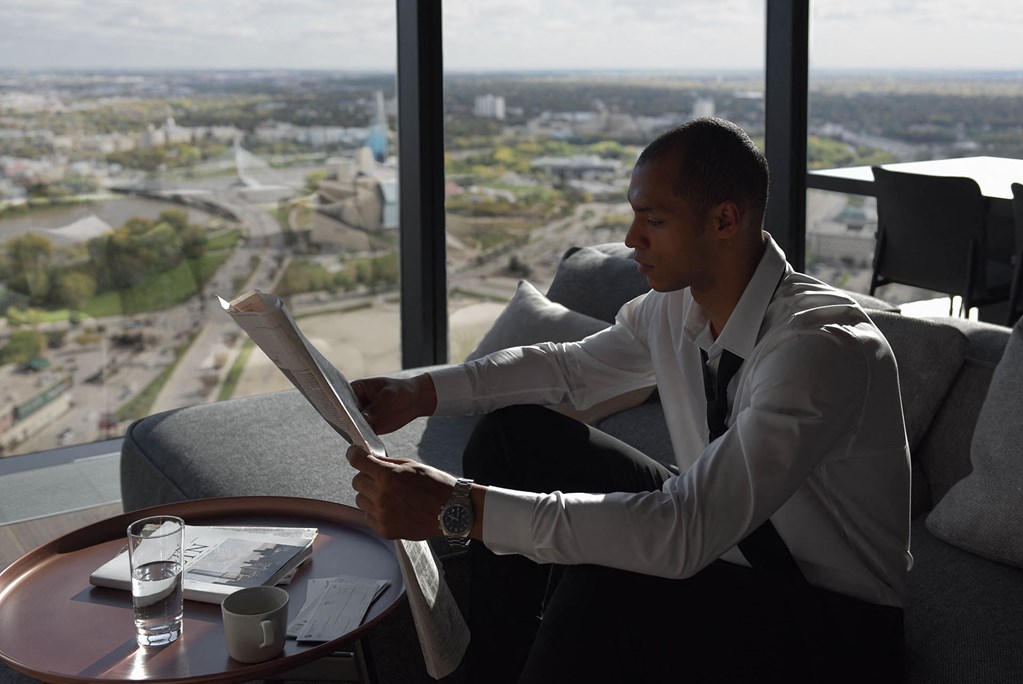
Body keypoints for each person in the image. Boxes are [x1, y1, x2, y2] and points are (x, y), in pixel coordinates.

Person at [346, 117, 911, 683]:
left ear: (724, 220)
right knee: (514, 436)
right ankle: (492, 668)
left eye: (654, 220)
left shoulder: (819, 348)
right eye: (635, 215)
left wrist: (462, 509)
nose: (630, 238)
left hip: (833, 622)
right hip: (720, 541)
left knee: (610, 578)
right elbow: (569, 368)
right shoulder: (675, 306)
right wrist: (419, 391)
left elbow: (684, 531)